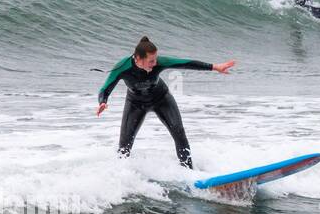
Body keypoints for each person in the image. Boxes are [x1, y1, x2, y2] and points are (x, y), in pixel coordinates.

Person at [96, 36, 235, 169]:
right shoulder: (123, 67)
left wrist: (214, 67)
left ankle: (189, 172)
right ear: (138, 58)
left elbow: (185, 63)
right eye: (151, 61)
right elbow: (105, 88)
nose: (155, 63)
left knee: (179, 133)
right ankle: (122, 176)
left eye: (155, 59)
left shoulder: (158, 63)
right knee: (124, 147)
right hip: (135, 103)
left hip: (161, 99)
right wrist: (102, 102)